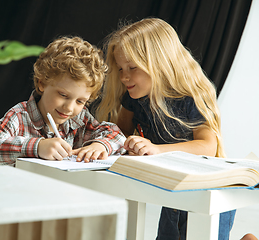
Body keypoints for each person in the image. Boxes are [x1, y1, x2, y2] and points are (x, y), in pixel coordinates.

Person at [95, 17, 235, 240]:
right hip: (177, 187)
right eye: (120, 68)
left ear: (159, 62)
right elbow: (119, 132)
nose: (124, 76)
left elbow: (208, 146)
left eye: (132, 67)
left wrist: (156, 150)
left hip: (210, 189)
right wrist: (104, 144)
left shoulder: (189, 97)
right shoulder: (135, 100)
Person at [0, 36, 126, 166]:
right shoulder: (19, 116)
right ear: (42, 83)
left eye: (80, 101)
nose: (69, 107)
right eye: (63, 95)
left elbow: (116, 135)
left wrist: (100, 145)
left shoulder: (80, 119)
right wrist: (36, 147)